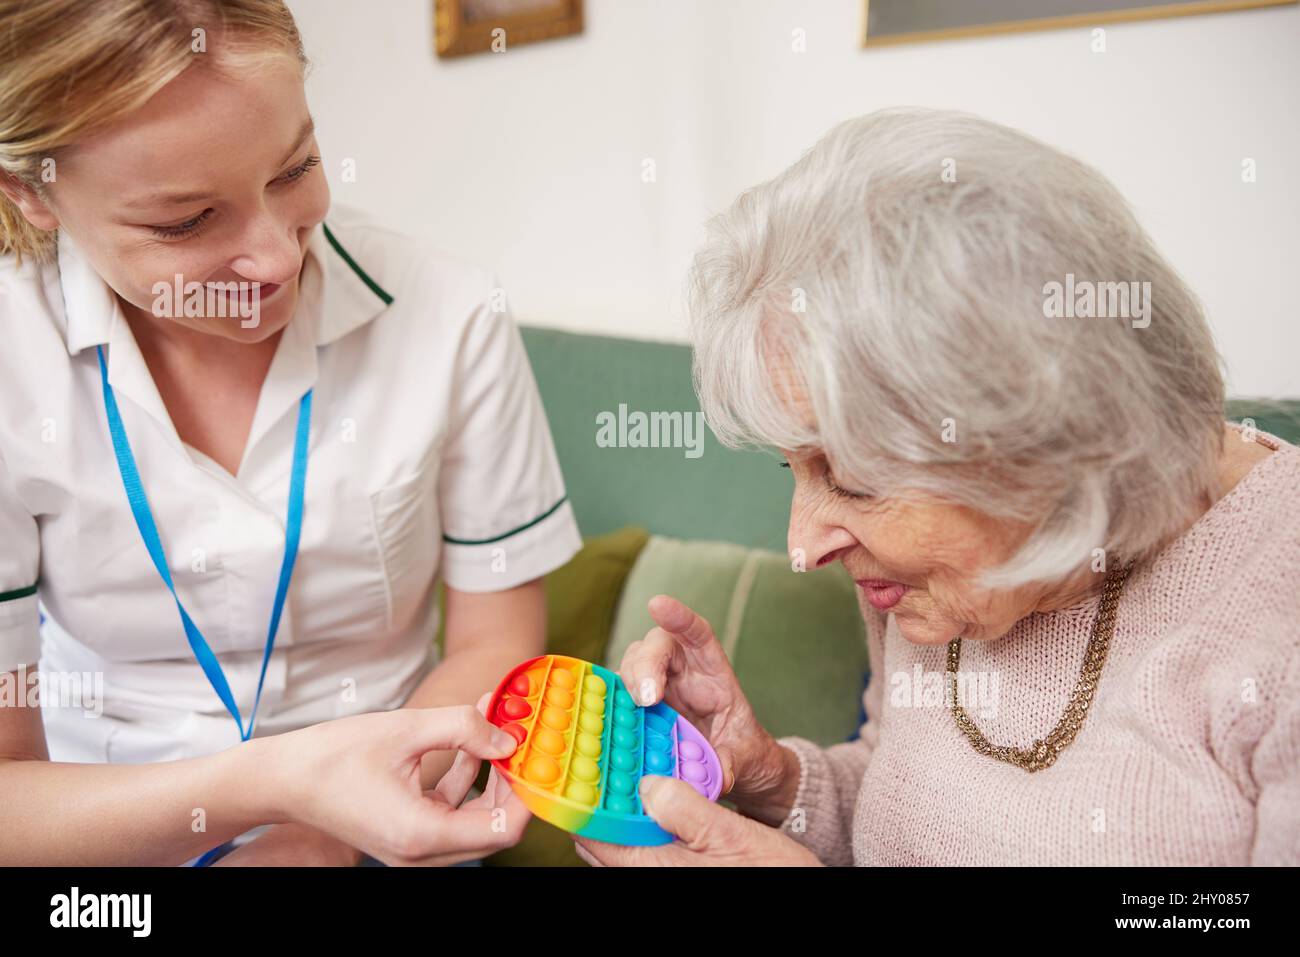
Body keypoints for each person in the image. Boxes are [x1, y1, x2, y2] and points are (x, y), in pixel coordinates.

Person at [576, 109, 1300, 867]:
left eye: (852, 478)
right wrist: (768, 777)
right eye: (794, 468)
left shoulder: (1272, 617)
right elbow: (905, 807)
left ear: (1044, 438)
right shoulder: (922, 580)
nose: (802, 544)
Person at [0, 0, 581, 865]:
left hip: (394, 830)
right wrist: (270, 794)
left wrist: (326, 835)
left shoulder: (450, 313)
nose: (276, 259)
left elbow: (495, 643)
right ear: (30, 192)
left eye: (296, 168)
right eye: (186, 221)